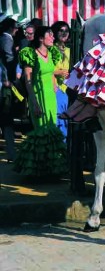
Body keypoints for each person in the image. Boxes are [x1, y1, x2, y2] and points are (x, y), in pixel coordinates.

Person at [13, 26, 68, 177]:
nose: (52, 37)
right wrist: (34, 102)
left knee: (51, 129)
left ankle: (51, 170)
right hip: (37, 96)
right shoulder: (30, 54)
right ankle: (38, 171)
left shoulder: (52, 53)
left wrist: (55, 87)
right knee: (41, 132)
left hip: (51, 97)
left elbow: (50, 73)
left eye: (52, 35)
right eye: (49, 35)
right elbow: (28, 81)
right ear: (40, 39)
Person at [0, 15, 19, 162]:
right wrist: (9, 79)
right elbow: (9, 59)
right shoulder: (6, 39)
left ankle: (11, 151)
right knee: (7, 117)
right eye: (16, 27)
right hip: (5, 84)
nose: (17, 30)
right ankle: (11, 152)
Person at [51, 21, 71, 138]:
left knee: (66, 120)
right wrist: (58, 72)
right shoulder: (51, 49)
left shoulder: (70, 50)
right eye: (61, 30)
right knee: (58, 118)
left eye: (66, 31)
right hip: (55, 87)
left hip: (68, 89)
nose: (64, 33)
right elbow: (45, 70)